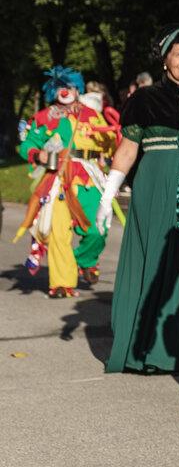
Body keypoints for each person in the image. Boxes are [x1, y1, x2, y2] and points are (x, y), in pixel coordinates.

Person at [96, 27, 179, 374]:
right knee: (155, 264)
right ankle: (150, 350)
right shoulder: (143, 100)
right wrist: (108, 195)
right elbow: (127, 149)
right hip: (155, 188)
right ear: (166, 59)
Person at [14, 67, 117, 296]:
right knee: (59, 232)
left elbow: (109, 141)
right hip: (58, 178)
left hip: (89, 178)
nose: (65, 91)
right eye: (60, 87)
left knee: (98, 228)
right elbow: (26, 143)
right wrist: (37, 154)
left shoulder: (91, 114)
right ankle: (62, 283)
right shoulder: (44, 117)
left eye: (69, 87)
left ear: (77, 89)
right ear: (53, 90)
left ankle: (85, 259)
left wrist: (113, 140)